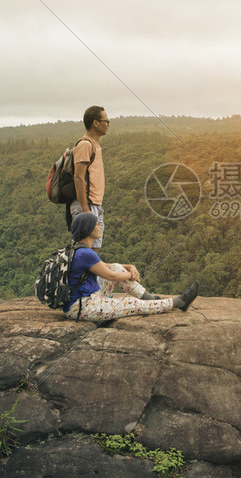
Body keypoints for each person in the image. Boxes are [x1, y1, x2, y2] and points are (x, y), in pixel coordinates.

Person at [63, 212, 198, 321]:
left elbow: (105, 267)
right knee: (132, 304)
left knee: (116, 267)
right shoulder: (85, 253)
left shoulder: (79, 250)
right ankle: (178, 302)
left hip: (88, 300)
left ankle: (149, 299)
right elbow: (110, 276)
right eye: (97, 224)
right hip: (83, 308)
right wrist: (130, 274)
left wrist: (129, 267)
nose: (100, 227)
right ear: (88, 228)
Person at [67, 105, 108, 247]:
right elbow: (78, 177)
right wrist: (85, 210)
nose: (108, 125)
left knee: (93, 253)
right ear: (95, 123)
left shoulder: (95, 145)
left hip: (95, 204)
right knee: (82, 251)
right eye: (106, 121)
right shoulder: (85, 145)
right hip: (86, 205)